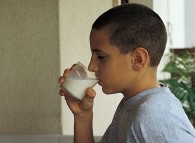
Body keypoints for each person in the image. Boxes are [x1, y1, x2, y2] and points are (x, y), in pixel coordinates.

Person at [59, 3, 195, 143]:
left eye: (101, 57)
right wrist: (83, 116)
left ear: (137, 59)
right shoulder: (131, 105)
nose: (91, 66)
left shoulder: (154, 114)